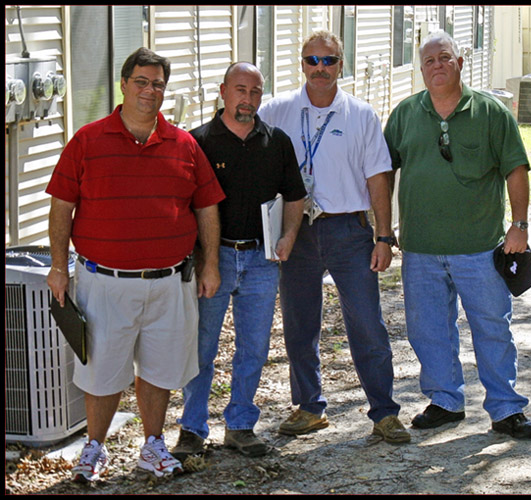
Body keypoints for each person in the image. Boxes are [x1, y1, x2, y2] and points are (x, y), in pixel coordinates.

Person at [46, 47, 225, 483]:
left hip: (169, 282)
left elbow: (206, 208)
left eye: (158, 84)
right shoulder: (87, 140)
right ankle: (94, 449)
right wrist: (56, 267)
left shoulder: (184, 145)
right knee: (101, 371)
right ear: (124, 84)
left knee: (160, 368)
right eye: (142, 82)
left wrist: (211, 264)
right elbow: (61, 206)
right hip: (103, 281)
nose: (150, 91)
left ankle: (152, 446)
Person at [383, 31, 531, 439]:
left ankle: (506, 409)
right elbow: (382, 171)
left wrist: (518, 226)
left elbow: (516, 170)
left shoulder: (490, 112)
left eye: (445, 58)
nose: (437, 65)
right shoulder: (404, 114)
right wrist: (382, 230)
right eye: (429, 60)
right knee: (428, 329)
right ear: (421, 69)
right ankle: (445, 401)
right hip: (420, 249)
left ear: (460, 63)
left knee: (492, 327)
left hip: (480, 247)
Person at [258, 31, 410, 444]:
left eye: (329, 60)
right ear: (301, 64)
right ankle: (309, 406)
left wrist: (383, 235)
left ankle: (384, 411)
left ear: (341, 65)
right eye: (312, 60)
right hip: (297, 231)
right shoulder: (278, 110)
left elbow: (378, 177)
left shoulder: (360, 114)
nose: (320, 68)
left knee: (366, 323)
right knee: (299, 323)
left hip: (349, 230)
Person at [172, 62, 306, 459]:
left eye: (255, 92)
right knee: (202, 347)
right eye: (240, 90)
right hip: (213, 260)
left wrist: (289, 235)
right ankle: (192, 429)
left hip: (262, 260)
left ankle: (241, 424)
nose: (247, 99)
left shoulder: (277, 142)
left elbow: (295, 196)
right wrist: (200, 259)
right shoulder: (198, 142)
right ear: (223, 91)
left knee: (253, 346)